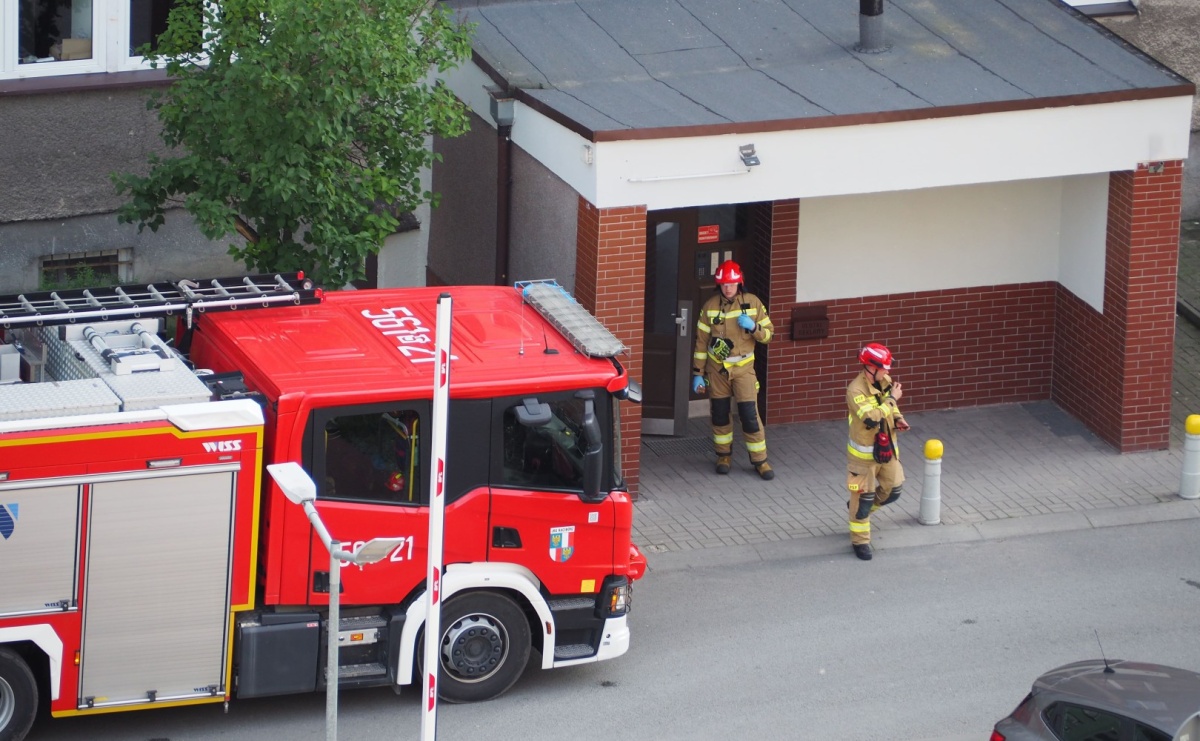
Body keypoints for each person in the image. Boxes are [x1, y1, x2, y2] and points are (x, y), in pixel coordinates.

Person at [691, 260, 775, 480]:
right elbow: (701, 343)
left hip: (743, 368)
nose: (728, 287)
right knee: (719, 414)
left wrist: (754, 327)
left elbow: (769, 335)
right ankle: (723, 456)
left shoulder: (753, 303)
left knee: (749, 415)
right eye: (724, 284)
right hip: (717, 370)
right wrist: (697, 374)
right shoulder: (709, 307)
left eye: (732, 283)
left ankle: (760, 461)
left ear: (739, 283)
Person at [845, 342, 910, 561]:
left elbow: (892, 408)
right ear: (870, 367)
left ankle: (857, 511)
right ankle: (860, 542)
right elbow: (871, 417)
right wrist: (892, 400)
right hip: (864, 459)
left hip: (887, 450)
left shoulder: (885, 381)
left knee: (894, 490)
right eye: (883, 367)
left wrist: (899, 418)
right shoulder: (855, 390)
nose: (887, 371)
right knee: (863, 500)